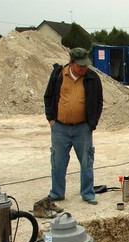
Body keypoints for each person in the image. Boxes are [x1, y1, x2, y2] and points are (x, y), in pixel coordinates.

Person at [44, 47, 103, 205]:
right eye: (80, 65)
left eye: (86, 65)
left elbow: (98, 101)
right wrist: (51, 120)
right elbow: (48, 96)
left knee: (86, 161)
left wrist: (93, 123)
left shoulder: (93, 78)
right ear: (71, 63)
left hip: (83, 128)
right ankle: (57, 193)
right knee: (57, 162)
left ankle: (87, 193)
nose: (84, 68)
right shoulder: (58, 75)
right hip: (60, 128)